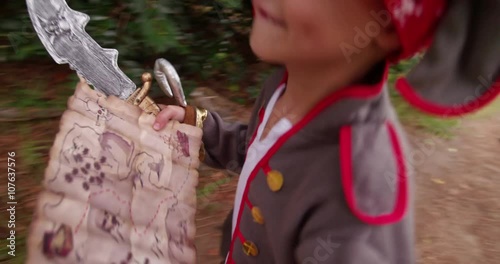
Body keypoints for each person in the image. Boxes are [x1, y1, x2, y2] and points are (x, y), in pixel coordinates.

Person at [153, 0, 500, 263]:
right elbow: (259, 151)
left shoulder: (359, 188)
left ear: (390, 25)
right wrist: (196, 125)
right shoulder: (283, 86)